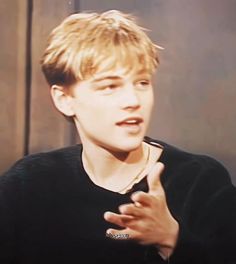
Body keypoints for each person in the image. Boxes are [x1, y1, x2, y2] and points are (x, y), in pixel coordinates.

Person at [0, 9, 236, 264]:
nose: (133, 101)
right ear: (65, 99)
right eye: (110, 86)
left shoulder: (200, 182)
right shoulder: (28, 186)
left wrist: (172, 239)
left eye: (142, 83)